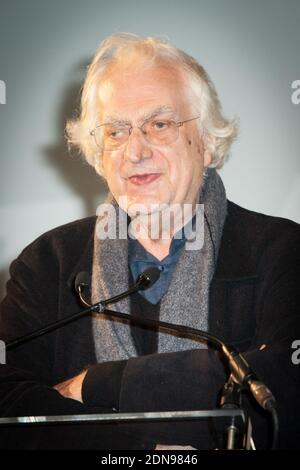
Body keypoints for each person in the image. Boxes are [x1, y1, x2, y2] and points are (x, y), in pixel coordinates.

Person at [0, 32, 299, 450]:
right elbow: (9, 404)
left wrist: (100, 384)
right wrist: (141, 449)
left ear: (208, 142)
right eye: (116, 132)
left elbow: (283, 389)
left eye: (159, 125)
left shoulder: (282, 250)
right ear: (98, 153)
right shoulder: (45, 263)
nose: (135, 151)